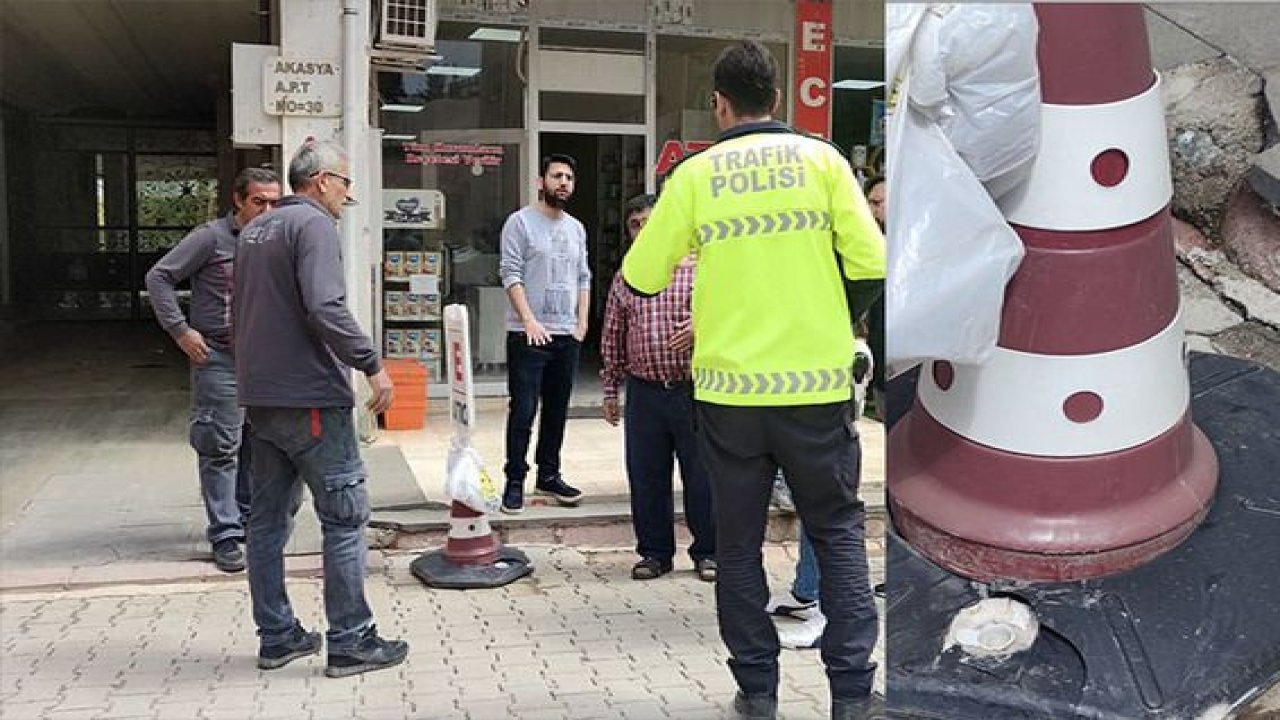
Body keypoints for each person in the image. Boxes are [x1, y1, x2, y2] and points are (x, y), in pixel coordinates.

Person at [621, 41, 886, 720]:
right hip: (817, 391)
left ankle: (759, 692)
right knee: (837, 533)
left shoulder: (695, 175)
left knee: (738, 546)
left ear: (719, 103)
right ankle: (852, 696)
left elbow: (642, 277)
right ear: (777, 97)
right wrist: (835, 316)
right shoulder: (824, 162)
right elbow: (871, 262)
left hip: (730, 397)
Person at [233, 140, 408, 677]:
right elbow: (325, 306)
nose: (347, 196)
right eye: (346, 184)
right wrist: (371, 363)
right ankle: (352, 639)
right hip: (309, 397)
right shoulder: (312, 226)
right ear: (322, 180)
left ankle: (277, 636)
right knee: (344, 517)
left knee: (266, 522)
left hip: (262, 399)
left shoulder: (256, 230)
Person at [144, 167, 282, 573]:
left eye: (275, 203)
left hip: (264, 360)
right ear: (238, 200)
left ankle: (249, 522)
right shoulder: (210, 238)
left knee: (259, 444)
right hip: (219, 358)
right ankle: (225, 535)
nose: (267, 210)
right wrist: (180, 330)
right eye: (259, 202)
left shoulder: (277, 239)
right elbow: (159, 277)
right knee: (220, 446)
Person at [600, 193, 716, 583]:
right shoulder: (627, 277)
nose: (643, 231)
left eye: (650, 222)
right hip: (645, 392)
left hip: (693, 389)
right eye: (635, 225)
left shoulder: (700, 267)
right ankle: (654, 554)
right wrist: (610, 389)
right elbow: (613, 334)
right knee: (646, 476)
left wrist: (701, 327)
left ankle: (708, 552)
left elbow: (732, 314)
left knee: (702, 476)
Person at [498, 153, 592, 514]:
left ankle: (549, 475)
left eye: (569, 177)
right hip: (528, 336)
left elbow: (583, 277)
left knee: (557, 411)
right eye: (557, 176)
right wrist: (528, 320)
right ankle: (514, 481)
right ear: (541, 181)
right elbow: (510, 272)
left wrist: (582, 323)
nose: (563, 182)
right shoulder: (520, 222)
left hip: (567, 335)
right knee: (523, 411)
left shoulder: (576, 228)